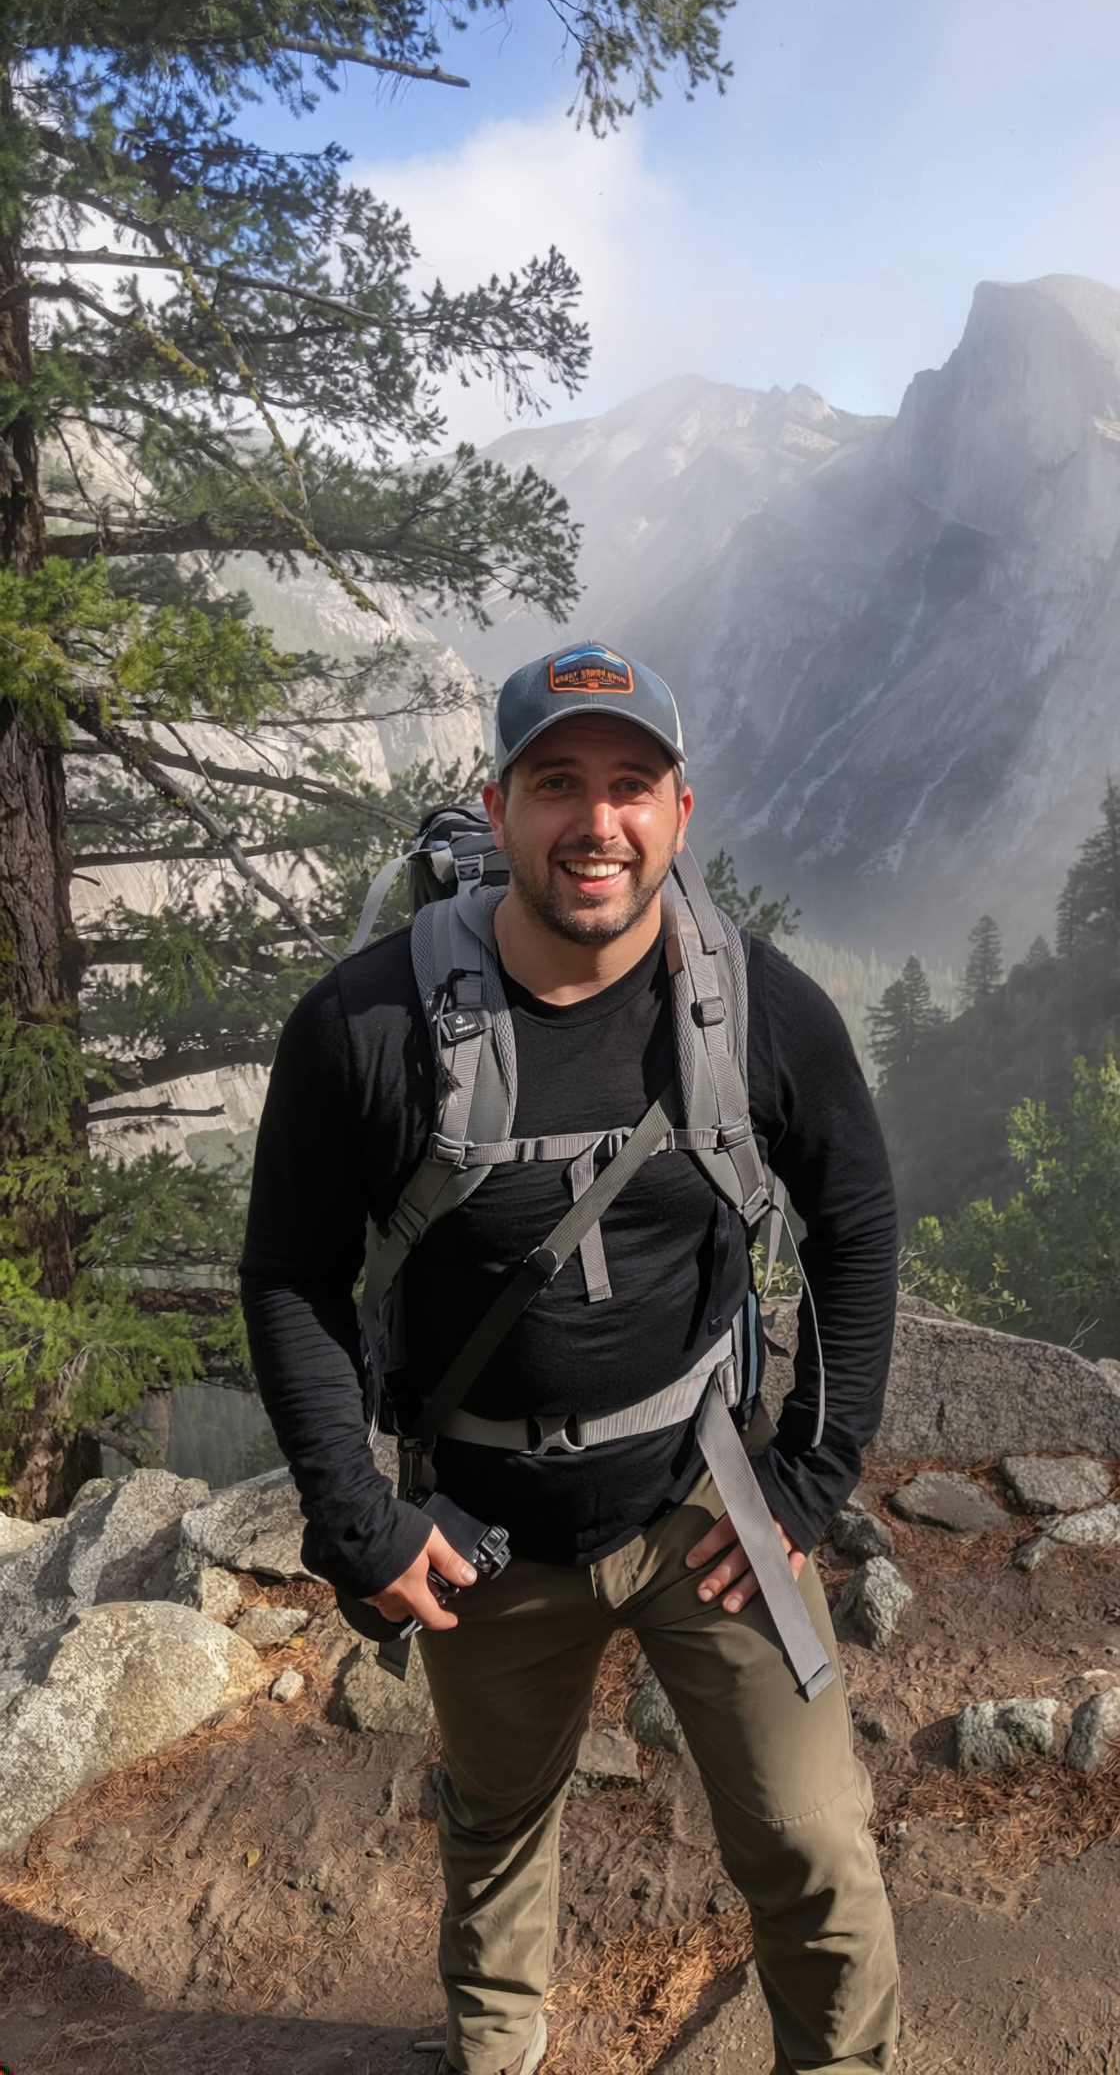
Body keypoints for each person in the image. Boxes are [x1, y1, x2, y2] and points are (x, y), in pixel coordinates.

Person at [240, 642, 900, 2075]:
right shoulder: (366, 1028)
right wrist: (360, 1521)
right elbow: (289, 1271)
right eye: (556, 784)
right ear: (498, 807)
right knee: (494, 1824)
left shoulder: (756, 1011)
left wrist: (809, 1478)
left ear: (679, 811)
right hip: (483, 1529)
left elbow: (854, 1221)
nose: (595, 822)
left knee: (813, 1844)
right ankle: (499, 2051)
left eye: (629, 785)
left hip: (704, 1501)